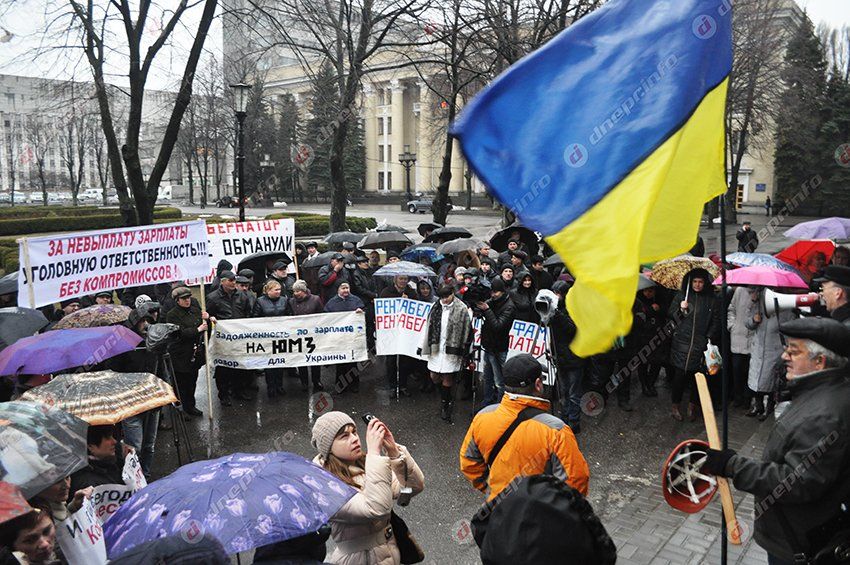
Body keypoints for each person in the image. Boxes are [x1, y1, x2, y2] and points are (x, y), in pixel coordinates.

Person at [702, 317, 850, 565]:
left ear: (819, 361)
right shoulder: (824, 392)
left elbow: (796, 482)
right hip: (797, 532)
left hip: (796, 541)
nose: (784, 357)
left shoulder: (825, 415)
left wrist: (733, 466)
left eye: (793, 352)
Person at [459, 354, 589, 501]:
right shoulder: (556, 431)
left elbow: (469, 462)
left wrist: (491, 489)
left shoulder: (483, 417)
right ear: (538, 384)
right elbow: (576, 482)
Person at [311, 412, 424, 565]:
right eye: (344, 436)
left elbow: (412, 488)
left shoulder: (365, 464)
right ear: (328, 447)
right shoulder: (324, 485)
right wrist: (375, 454)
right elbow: (376, 509)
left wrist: (394, 453)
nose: (355, 439)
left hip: (391, 553)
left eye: (354, 432)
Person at [473, 475, 617, 565]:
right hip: (554, 517)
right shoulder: (557, 432)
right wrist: (566, 504)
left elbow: (469, 462)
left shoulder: (481, 425)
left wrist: (486, 488)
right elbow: (577, 475)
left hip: (509, 513)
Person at [667, 268, 720, 421]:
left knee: (698, 377)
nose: (697, 285)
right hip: (682, 343)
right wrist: (680, 310)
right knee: (679, 376)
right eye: (695, 282)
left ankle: (692, 405)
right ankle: (675, 405)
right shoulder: (682, 296)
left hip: (700, 344)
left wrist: (708, 337)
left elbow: (716, 322)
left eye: (700, 282)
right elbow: (671, 315)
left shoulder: (711, 300)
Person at [419, 285, 473, 423]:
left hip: (452, 348)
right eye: (442, 297)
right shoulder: (435, 307)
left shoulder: (462, 309)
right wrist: (421, 344)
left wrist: (467, 352)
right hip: (436, 347)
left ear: (452, 294)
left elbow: (467, 331)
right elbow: (427, 326)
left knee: (447, 376)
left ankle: (445, 403)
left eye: (447, 297)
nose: (444, 300)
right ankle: (444, 395)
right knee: (434, 375)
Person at [206, 270, 253, 405]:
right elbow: (209, 317)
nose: (233, 283)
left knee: (239, 365)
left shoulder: (242, 296)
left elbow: (247, 313)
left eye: (234, 280)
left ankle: (239, 391)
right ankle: (224, 394)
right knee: (224, 368)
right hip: (223, 339)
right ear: (223, 281)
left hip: (239, 338)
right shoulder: (213, 298)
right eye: (231, 280)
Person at [746, 288, 794, 421]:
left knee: (771, 380)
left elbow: (790, 330)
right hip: (758, 348)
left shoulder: (786, 308)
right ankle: (758, 405)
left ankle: (769, 407)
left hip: (774, 350)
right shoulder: (757, 303)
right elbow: (748, 323)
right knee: (756, 379)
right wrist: (754, 320)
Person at [165, 286, 209, 418]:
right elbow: (178, 333)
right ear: (177, 300)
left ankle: (190, 406)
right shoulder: (172, 315)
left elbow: (206, 329)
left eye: (188, 298)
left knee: (192, 381)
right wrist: (197, 330)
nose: (187, 301)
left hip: (194, 353)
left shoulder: (196, 311)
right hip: (180, 354)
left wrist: (207, 319)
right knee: (180, 384)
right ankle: (180, 409)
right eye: (183, 299)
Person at [548, 281, 585, 433]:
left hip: (575, 357)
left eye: (558, 293)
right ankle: (564, 418)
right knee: (563, 391)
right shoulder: (553, 310)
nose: (556, 297)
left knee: (574, 393)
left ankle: (574, 422)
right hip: (561, 357)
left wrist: (557, 314)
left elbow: (572, 329)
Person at [476, 278, 516, 407]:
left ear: (503, 292)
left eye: (496, 292)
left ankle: (500, 406)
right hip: (488, 345)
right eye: (491, 292)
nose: (493, 295)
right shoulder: (493, 301)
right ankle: (487, 401)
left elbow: (498, 326)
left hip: (499, 348)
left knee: (499, 381)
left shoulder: (509, 306)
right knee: (487, 377)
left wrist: (487, 310)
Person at [253, 279, 290, 398]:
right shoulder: (260, 301)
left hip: (281, 336)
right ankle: (271, 387)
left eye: (279, 289)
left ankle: (279, 385)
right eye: (276, 290)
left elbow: (290, 316)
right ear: (268, 290)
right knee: (269, 363)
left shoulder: (284, 300)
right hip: (267, 338)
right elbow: (255, 318)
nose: (279, 292)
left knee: (279, 363)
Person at [380, 275, 416, 397]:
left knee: (405, 361)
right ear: (395, 280)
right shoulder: (386, 292)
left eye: (405, 279)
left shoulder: (411, 292)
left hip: (406, 332)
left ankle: (403, 385)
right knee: (391, 361)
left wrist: (407, 302)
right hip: (390, 331)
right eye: (401, 279)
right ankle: (392, 386)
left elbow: (416, 309)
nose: (403, 281)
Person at [325, 283, 365, 393]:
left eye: (347, 288)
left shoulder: (356, 300)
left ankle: (354, 385)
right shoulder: (332, 302)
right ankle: (340, 386)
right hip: (339, 338)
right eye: (343, 288)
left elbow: (364, 311)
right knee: (341, 362)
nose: (346, 290)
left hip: (353, 337)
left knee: (353, 362)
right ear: (338, 289)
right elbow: (326, 317)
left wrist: (361, 312)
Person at [287, 280, 325, 392]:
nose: (295, 293)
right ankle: (304, 381)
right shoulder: (291, 301)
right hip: (298, 334)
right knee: (301, 359)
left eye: (298, 291)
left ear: (304, 291)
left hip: (313, 334)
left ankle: (316, 380)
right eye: (294, 291)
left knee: (315, 359)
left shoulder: (316, 299)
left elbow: (322, 315)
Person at [70, 425, 127, 494]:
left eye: (112, 436)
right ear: (91, 446)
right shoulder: (88, 484)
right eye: (107, 438)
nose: (114, 441)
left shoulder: (109, 461)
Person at [727, 286, 758, 408]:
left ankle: (747, 399)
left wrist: (755, 302)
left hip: (753, 338)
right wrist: (732, 325)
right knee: (737, 369)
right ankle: (738, 397)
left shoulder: (762, 292)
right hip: (738, 336)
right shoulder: (740, 290)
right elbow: (732, 309)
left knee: (749, 371)